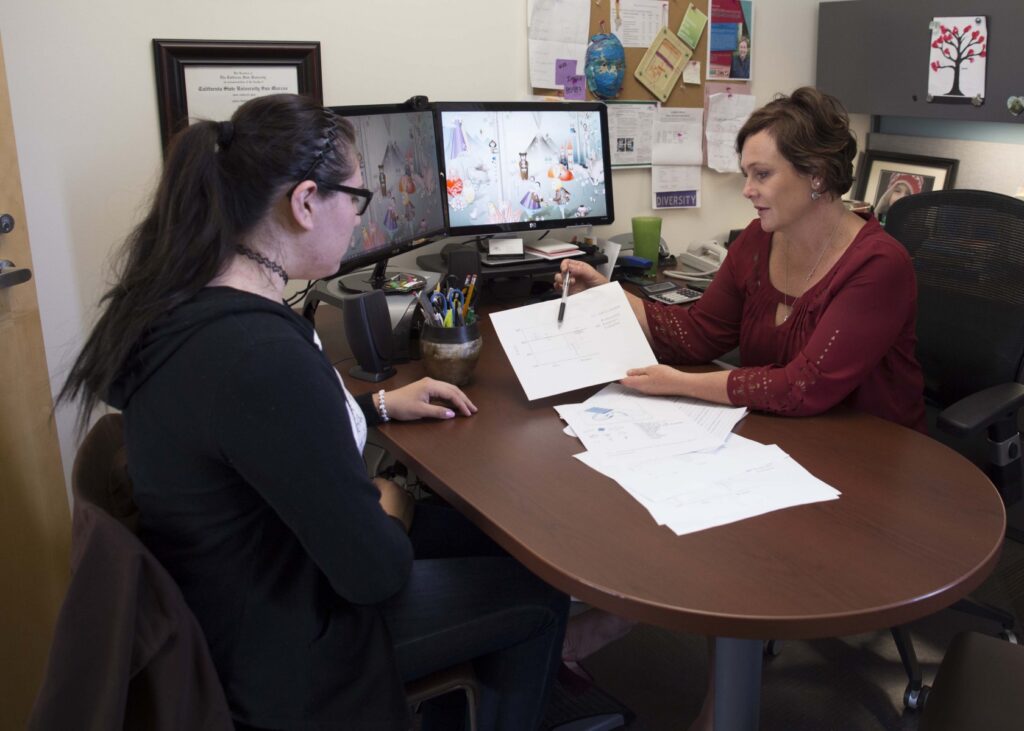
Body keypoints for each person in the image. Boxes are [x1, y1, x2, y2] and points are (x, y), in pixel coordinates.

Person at [58, 94, 568, 731]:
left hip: (235, 591)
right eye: (356, 199)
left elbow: (260, 438)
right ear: (304, 203)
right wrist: (392, 493)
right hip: (289, 653)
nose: (358, 220)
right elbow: (375, 572)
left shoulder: (190, 309)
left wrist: (374, 405)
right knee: (540, 589)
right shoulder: (259, 355)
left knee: (500, 535)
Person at [556, 86, 925, 730]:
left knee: (727, 544)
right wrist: (614, 298)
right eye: (745, 174)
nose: (748, 190)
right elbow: (700, 333)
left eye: (762, 174)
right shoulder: (758, 242)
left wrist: (678, 385)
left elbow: (802, 386)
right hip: (784, 441)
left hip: (868, 464)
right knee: (673, 505)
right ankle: (604, 632)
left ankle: (716, 707)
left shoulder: (879, 264)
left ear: (815, 176)